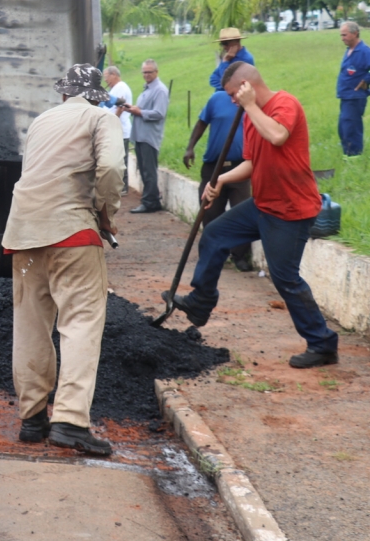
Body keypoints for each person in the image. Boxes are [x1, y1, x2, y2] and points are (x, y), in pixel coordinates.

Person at [168, 63, 339, 369]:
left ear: (246, 85)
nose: (232, 101)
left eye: (235, 94)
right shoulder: (248, 116)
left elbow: (276, 135)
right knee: (215, 234)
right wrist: (220, 180)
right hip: (263, 203)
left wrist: (249, 106)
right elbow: (252, 162)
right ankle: (201, 301)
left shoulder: (285, 104)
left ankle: (323, 344)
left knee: (285, 278)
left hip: (291, 209)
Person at [2, 64, 124, 456]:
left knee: (30, 324)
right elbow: (109, 168)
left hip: (23, 234)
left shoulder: (42, 121)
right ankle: (70, 422)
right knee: (80, 322)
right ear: (96, 95)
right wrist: (106, 211)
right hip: (73, 232)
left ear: (64, 93)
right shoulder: (101, 118)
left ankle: (32, 418)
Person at [183, 72, 253, 272]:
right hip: (214, 166)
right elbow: (201, 123)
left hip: (241, 167)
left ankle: (240, 256)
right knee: (210, 212)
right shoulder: (216, 99)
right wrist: (190, 147)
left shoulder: (252, 104)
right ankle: (213, 254)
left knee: (242, 211)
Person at [119, 59, 168, 213]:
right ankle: (150, 199)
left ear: (156, 72)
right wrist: (133, 109)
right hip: (140, 135)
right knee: (144, 169)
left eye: (149, 72)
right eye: (144, 72)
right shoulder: (147, 89)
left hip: (149, 136)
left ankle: (150, 202)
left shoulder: (160, 90)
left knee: (149, 170)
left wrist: (139, 112)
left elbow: (159, 113)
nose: (146, 75)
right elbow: (143, 109)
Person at [336, 21, 369, 157]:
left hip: (355, 97)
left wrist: (367, 81)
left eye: (345, 35)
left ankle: (354, 156)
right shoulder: (349, 50)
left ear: (355, 33)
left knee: (351, 127)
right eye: (341, 35)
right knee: (342, 127)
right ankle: (347, 152)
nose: (342, 38)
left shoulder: (364, 51)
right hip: (345, 96)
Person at [101, 65, 133, 194]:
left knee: (121, 159)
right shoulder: (116, 88)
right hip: (116, 128)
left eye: (107, 77)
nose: (106, 81)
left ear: (114, 74)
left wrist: (111, 122)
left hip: (120, 129)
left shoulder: (120, 87)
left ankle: (123, 187)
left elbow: (120, 107)